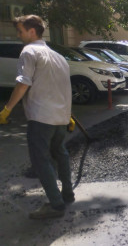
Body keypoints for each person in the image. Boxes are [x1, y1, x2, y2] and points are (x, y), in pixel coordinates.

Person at [0, 15, 75, 219]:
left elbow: (23, 83)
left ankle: (56, 205)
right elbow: (63, 88)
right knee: (61, 154)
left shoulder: (29, 51)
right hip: (60, 117)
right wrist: (68, 115)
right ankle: (67, 193)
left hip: (41, 118)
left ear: (32, 31)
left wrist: (7, 109)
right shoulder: (58, 57)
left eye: (21, 31)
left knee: (41, 160)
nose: (19, 35)